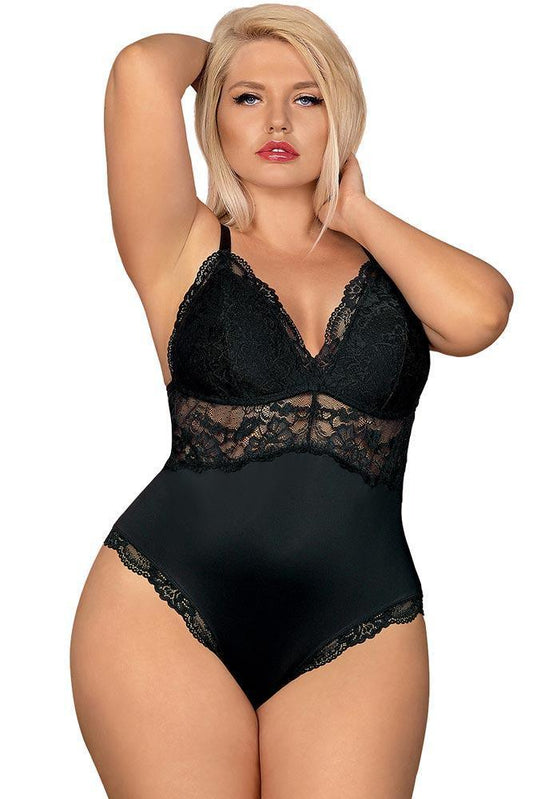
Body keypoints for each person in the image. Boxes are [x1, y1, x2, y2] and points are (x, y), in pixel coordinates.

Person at [69, 5, 513, 797]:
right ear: (214, 113)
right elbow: (140, 68)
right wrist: (225, 53)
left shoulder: (387, 264)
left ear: (339, 114)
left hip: (360, 620)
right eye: (247, 98)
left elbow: (480, 315)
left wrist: (356, 212)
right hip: (164, 606)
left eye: (306, 98)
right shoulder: (180, 244)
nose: (277, 120)